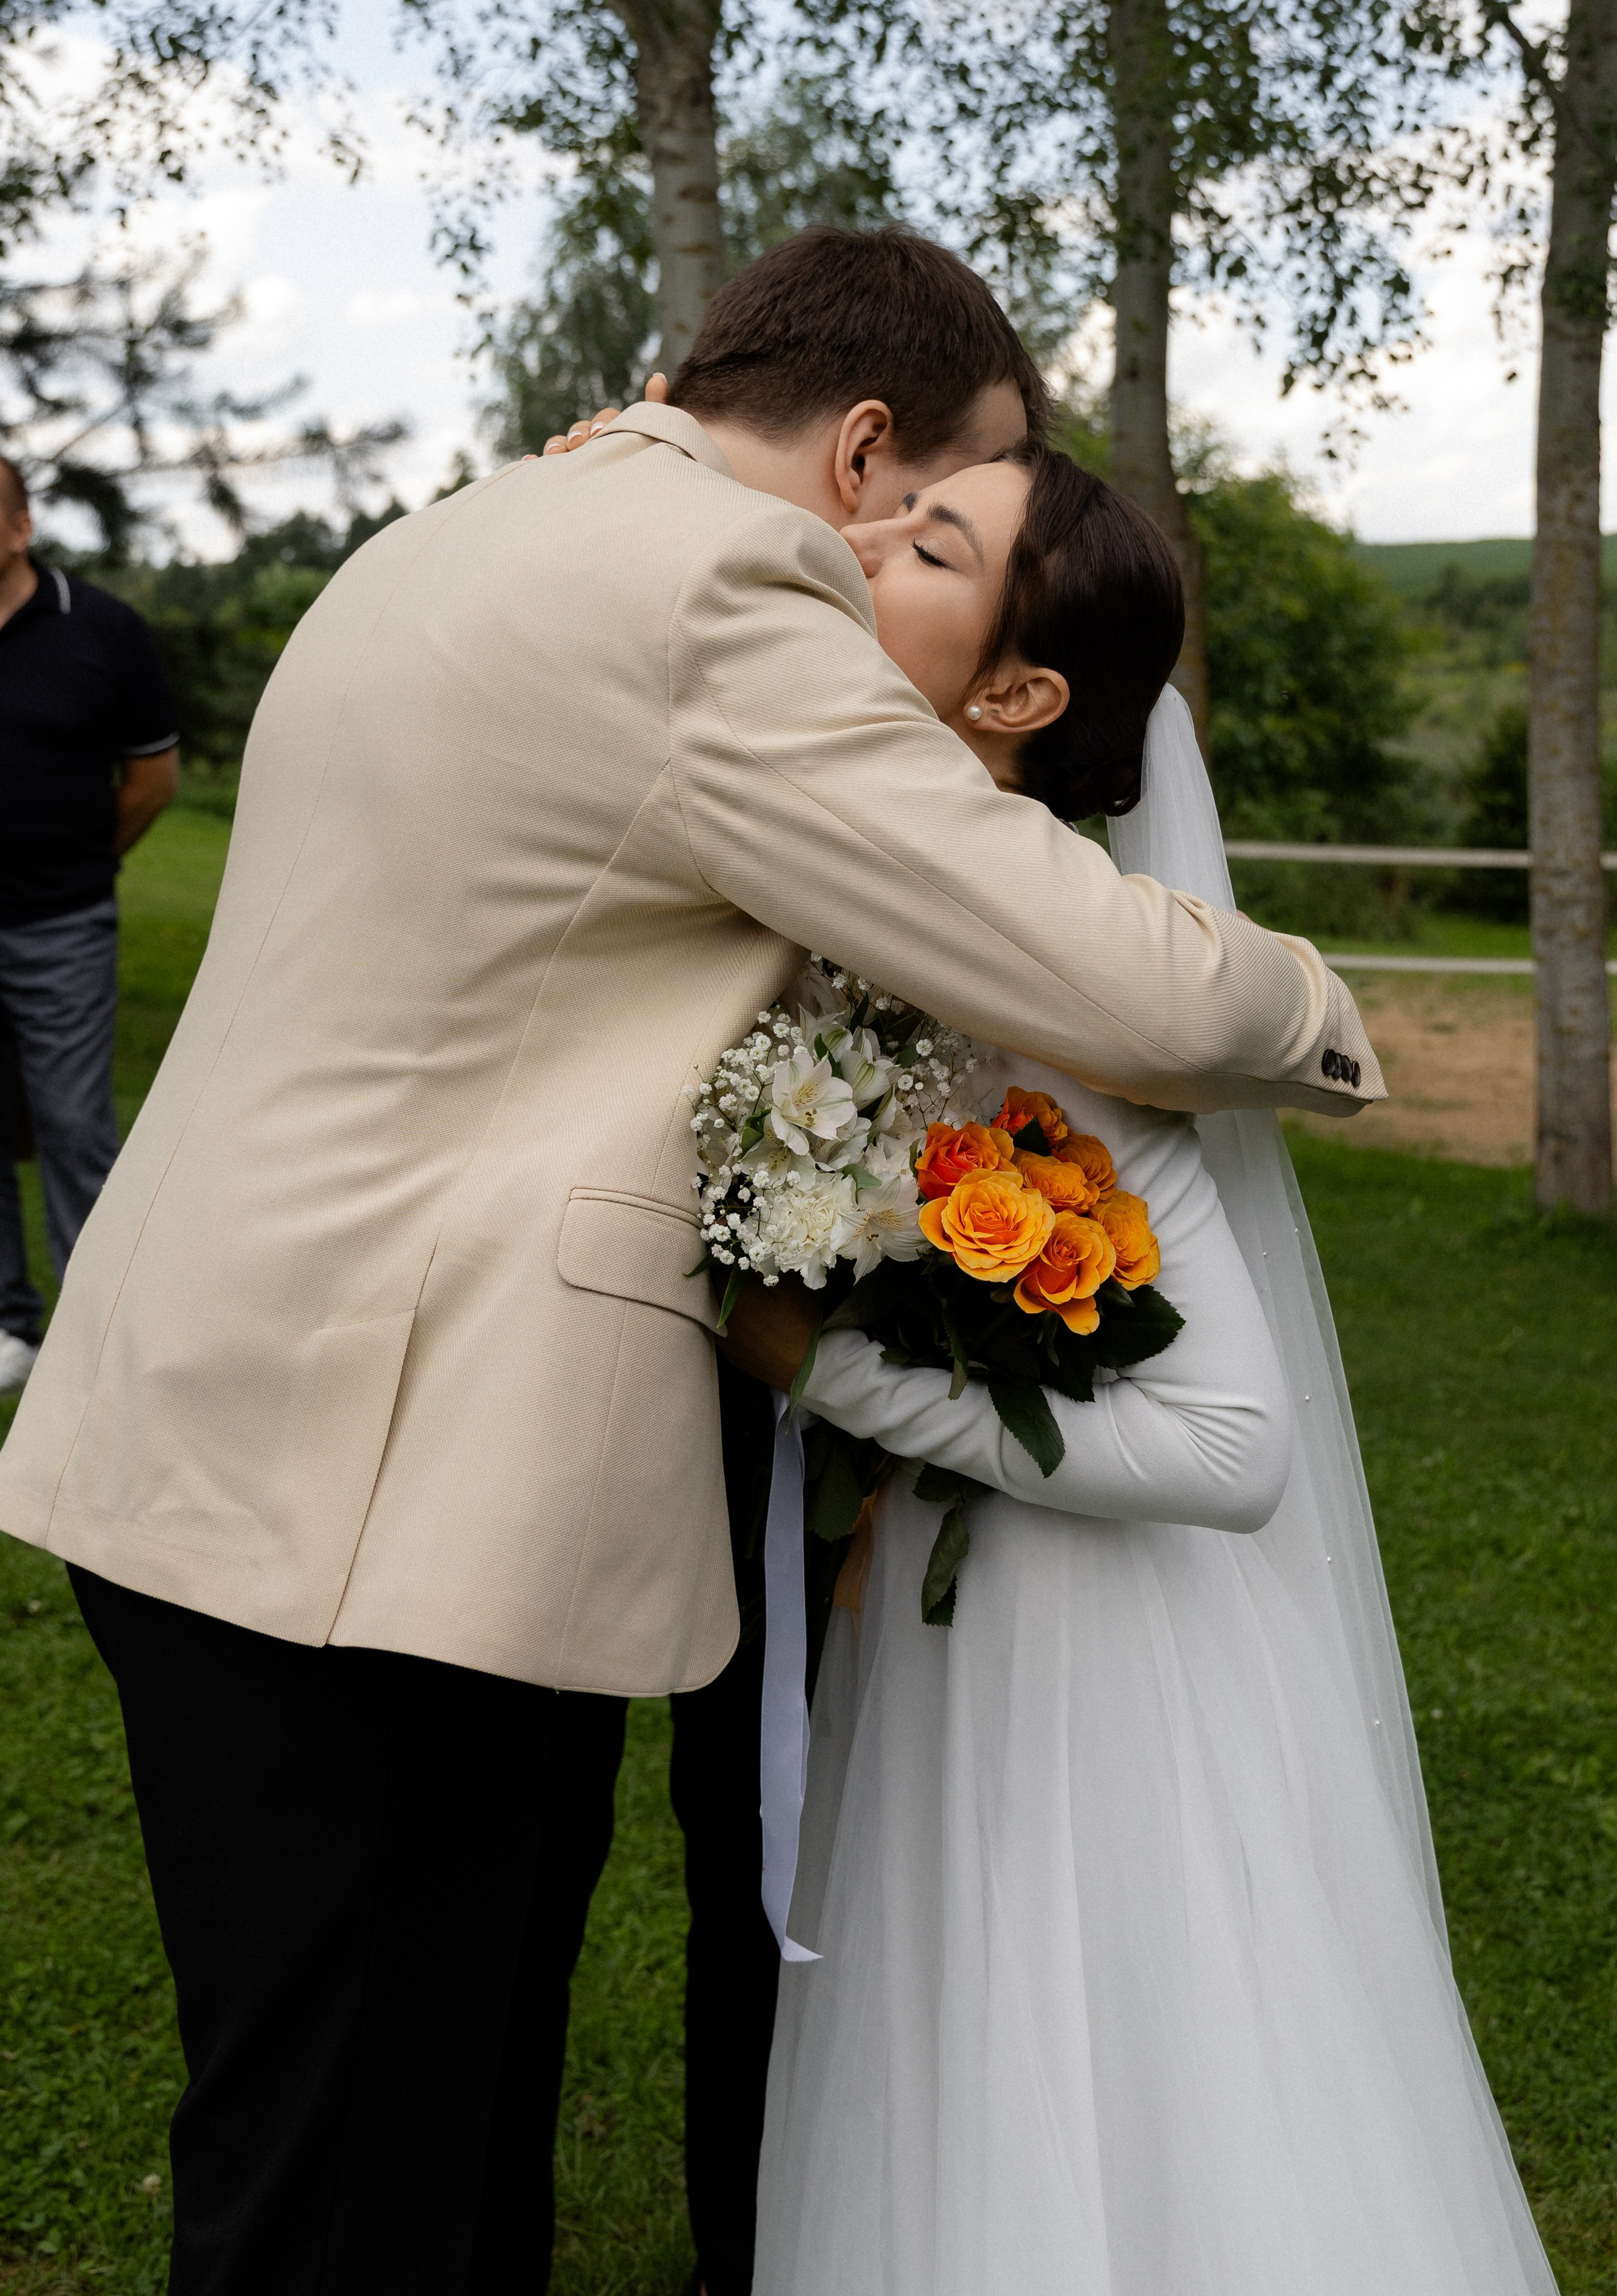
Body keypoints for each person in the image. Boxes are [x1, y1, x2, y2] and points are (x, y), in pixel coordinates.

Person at [0, 227, 1383, 2296]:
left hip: (241, 1430)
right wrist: (1324, 1019)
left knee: (417, 2137)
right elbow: (1121, 985)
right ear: (853, 451)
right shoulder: (714, 589)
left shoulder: (470, 528)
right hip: (376, 1506)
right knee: (352, 2196)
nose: (914, 542)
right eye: (923, 501)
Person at [716, 443, 1555, 2296]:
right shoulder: (881, 924)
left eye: (931, 537)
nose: (862, 532)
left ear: (1016, 695)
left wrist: (836, 1380)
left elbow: (1238, 1442)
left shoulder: (1057, 983)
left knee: (1091, 2064)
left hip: (1084, 1660)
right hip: (940, 1614)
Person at [0, 457, 179, 1395]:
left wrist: (76, 862)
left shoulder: (100, 630)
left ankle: (98, 1331)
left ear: (21, 528)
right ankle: (7, 1327)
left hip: (61, 923)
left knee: (73, 1127)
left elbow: (153, 782)